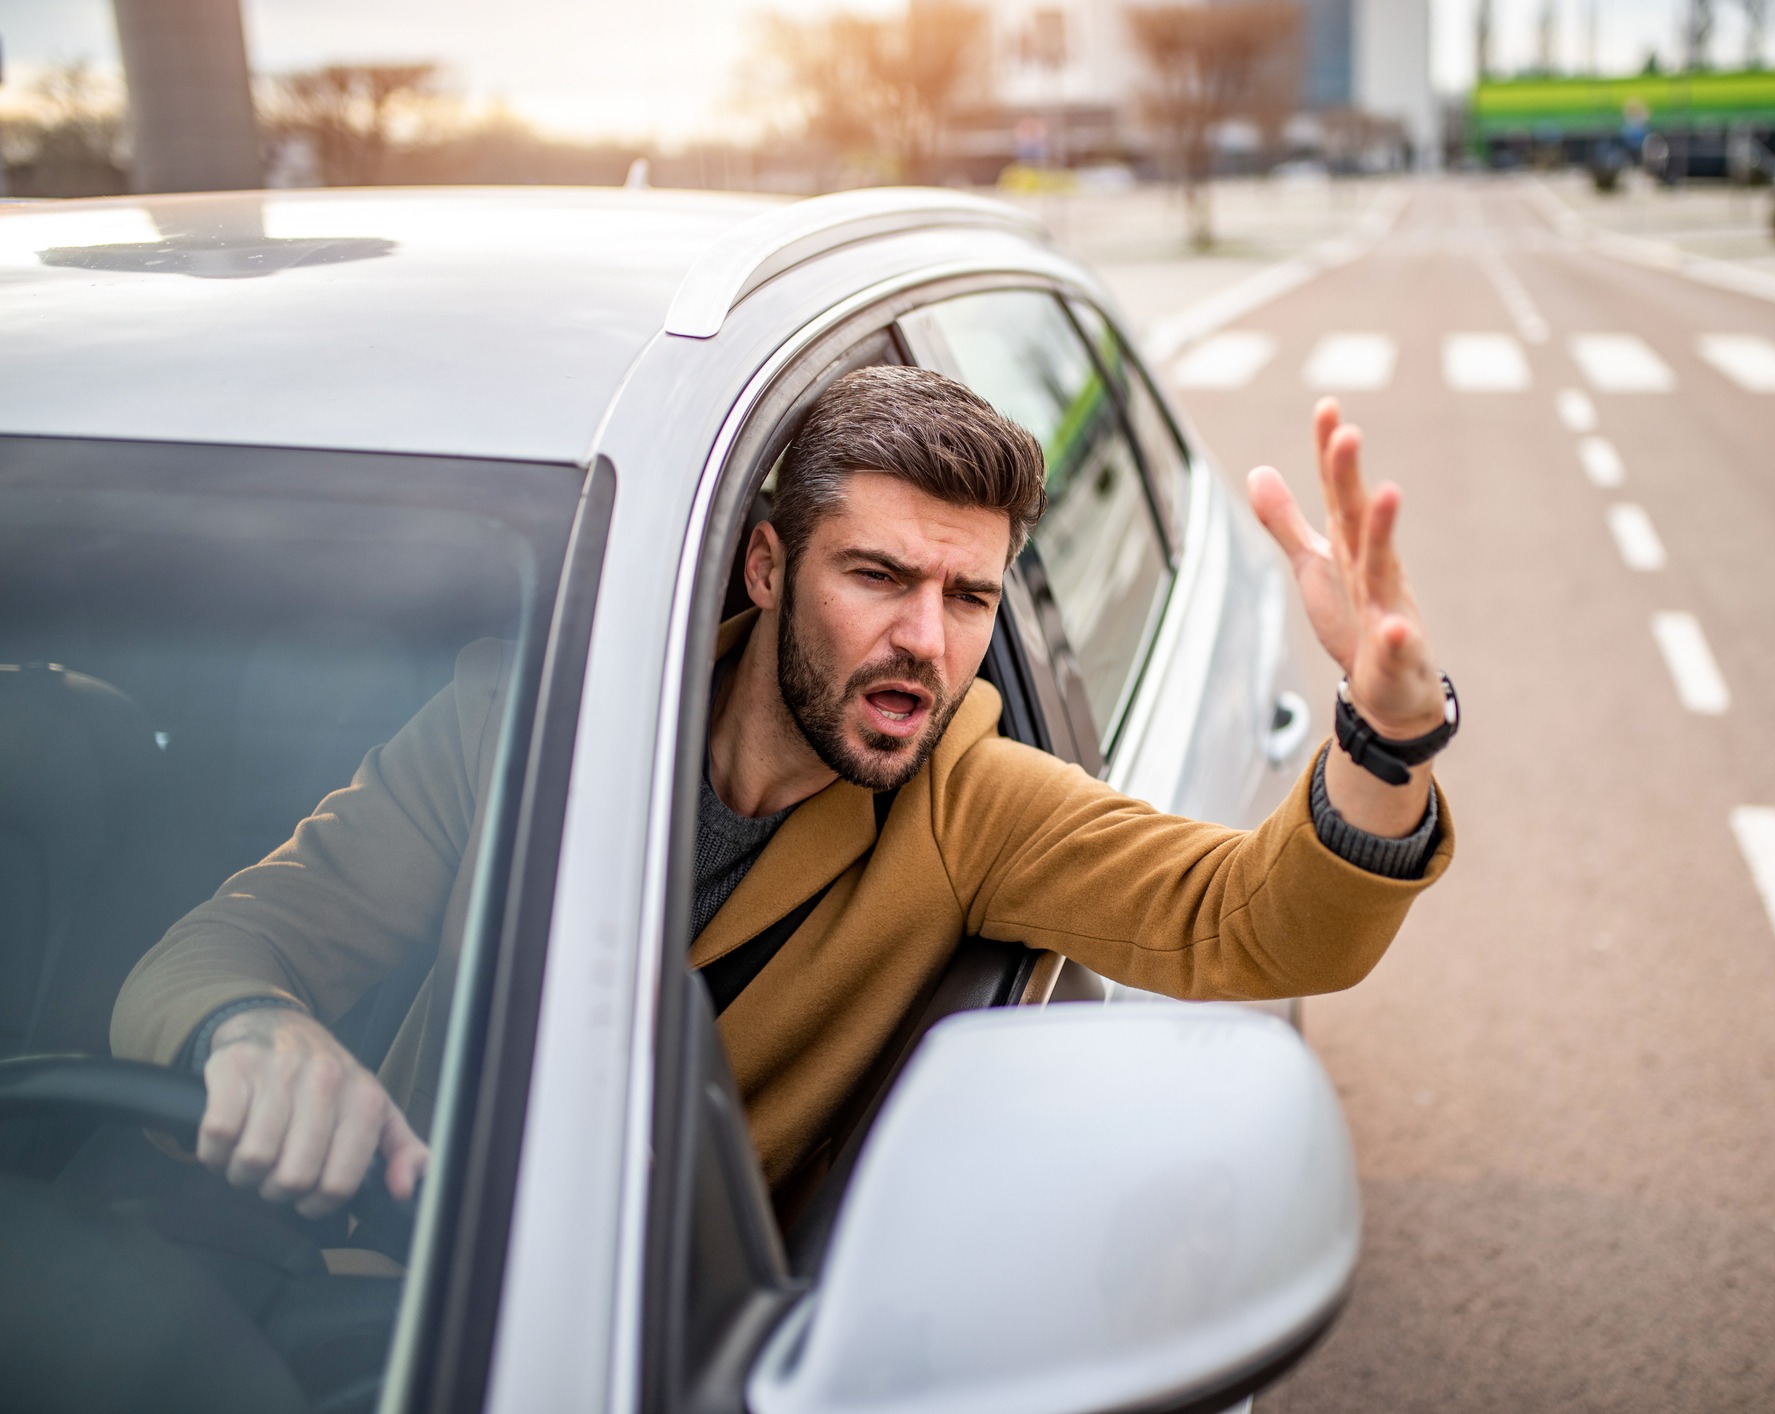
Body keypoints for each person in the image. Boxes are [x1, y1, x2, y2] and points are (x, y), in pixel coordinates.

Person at [112, 366, 1457, 1219]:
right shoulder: (509, 726)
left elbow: (1259, 922)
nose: (928, 640)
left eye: (970, 595)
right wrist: (249, 1028)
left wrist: (1381, 738)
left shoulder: (969, 801)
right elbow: (220, 947)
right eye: (877, 577)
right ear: (764, 567)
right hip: (375, 1288)